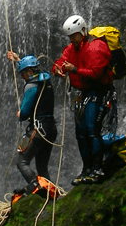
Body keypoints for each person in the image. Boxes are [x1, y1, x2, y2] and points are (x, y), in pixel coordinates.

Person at [52, 15, 114, 185]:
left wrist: (75, 69)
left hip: (99, 92)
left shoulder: (96, 47)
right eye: (70, 37)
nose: (73, 40)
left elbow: (95, 73)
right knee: (80, 133)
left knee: (91, 129)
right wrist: (57, 69)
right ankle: (86, 169)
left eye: (75, 36)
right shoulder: (71, 49)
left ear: (83, 32)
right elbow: (61, 61)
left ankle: (97, 168)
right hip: (85, 94)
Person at [6, 51, 57, 194]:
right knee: (42, 166)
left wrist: (20, 114)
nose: (22, 77)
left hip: (38, 129)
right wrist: (18, 60)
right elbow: (34, 69)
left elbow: (24, 114)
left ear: (29, 71)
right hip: (50, 128)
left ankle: (37, 186)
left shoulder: (31, 86)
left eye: (22, 73)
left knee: (22, 162)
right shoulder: (46, 79)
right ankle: (49, 194)